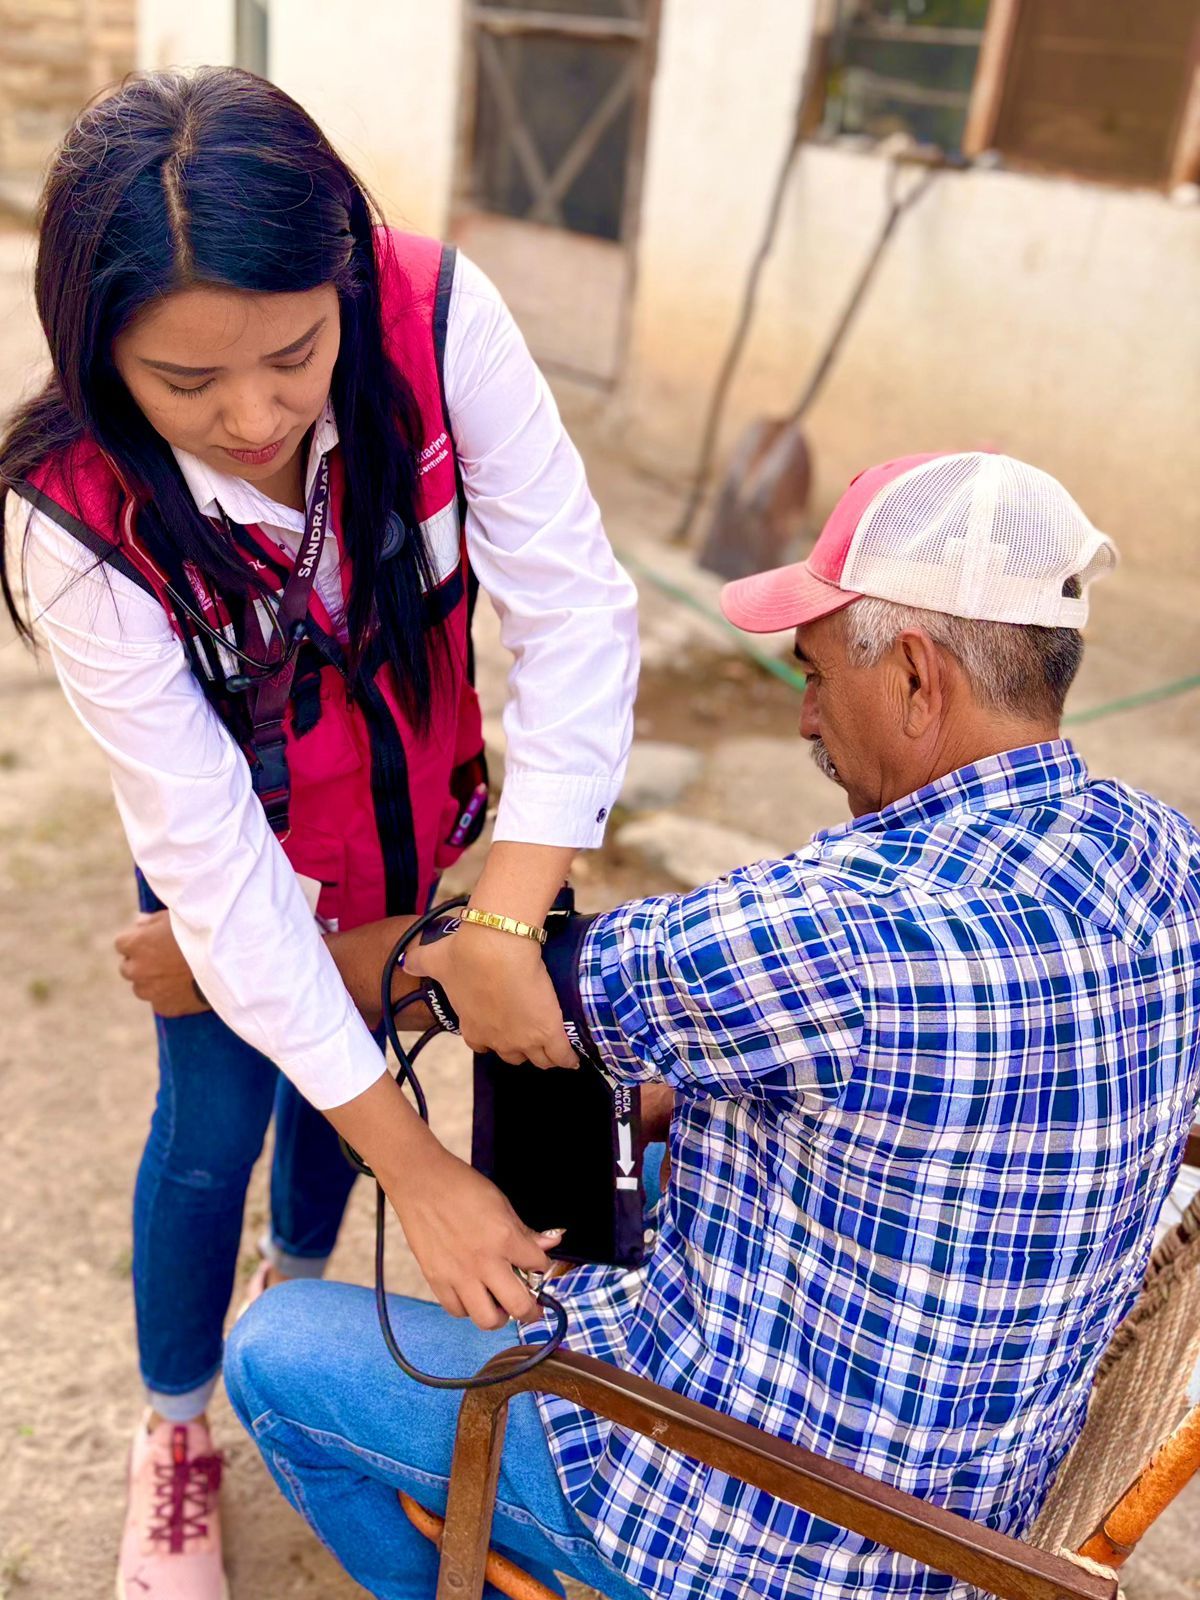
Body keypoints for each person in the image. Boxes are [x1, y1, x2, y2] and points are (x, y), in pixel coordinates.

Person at [219, 452, 1200, 1600]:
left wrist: (224, 956)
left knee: (277, 1351)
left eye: (818, 672)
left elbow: (498, 980)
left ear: (920, 679)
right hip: (968, 1517)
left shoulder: (837, 931)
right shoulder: (1167, 856)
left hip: (745, 1521)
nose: (806, 716)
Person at [0, 67, 637, 1600]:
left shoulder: (433, 317)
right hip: (250, 861)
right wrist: (422, 1171)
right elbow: (218, 875)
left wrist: (496, 915)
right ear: (96, 353)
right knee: (213, 1126)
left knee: (330, 1124)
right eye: (182, 382)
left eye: (293, 354)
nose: (254, 415)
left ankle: (294, 1301)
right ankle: (176, 1436)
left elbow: (576, 610)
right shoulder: (76, 519)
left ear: (343, 276)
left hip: (427, 824)